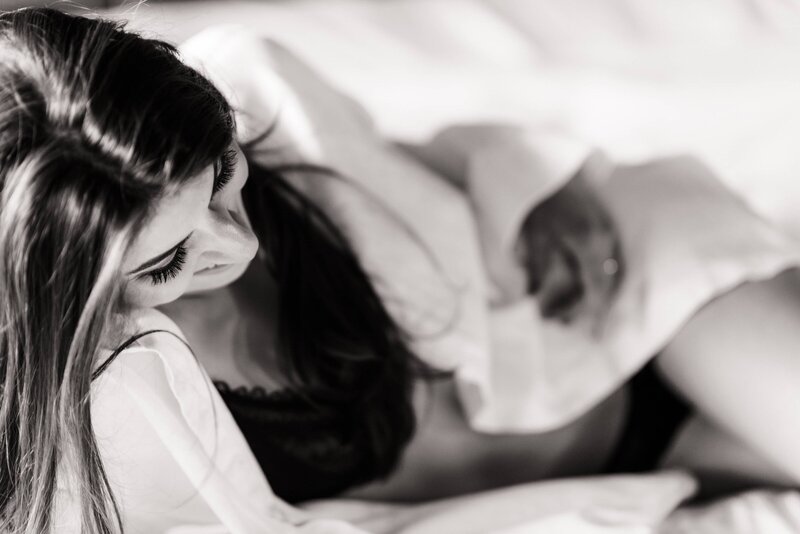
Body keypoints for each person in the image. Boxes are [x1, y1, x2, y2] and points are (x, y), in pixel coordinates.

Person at [0, 7, 798, 534]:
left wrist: (540, 194)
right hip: (611, 484)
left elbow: (416, 164)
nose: (236, 245)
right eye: (172, 261)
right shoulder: (89, 429)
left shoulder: (255, 88)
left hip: (627, 321)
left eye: (224, 178)